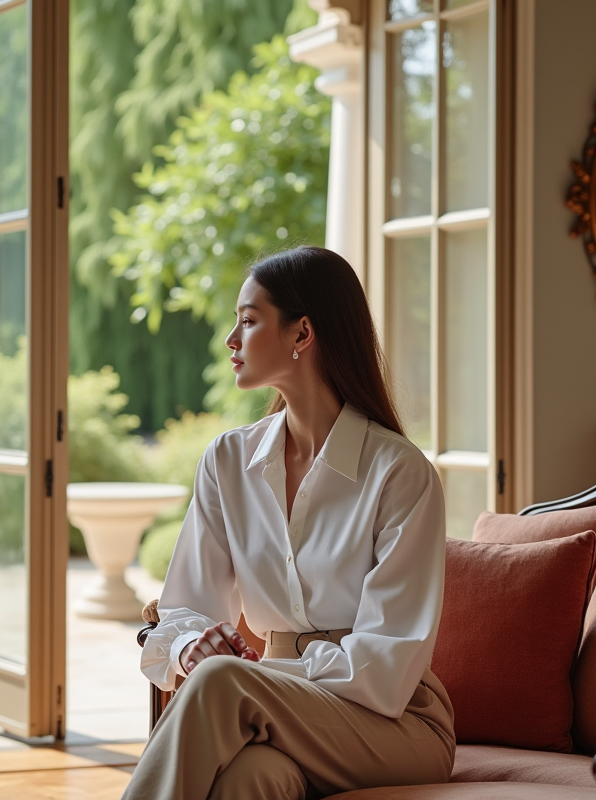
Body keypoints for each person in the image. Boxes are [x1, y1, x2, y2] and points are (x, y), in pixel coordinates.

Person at [123, 246, 454, 800]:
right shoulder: (227, 462)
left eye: (248, 322)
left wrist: (254, 677)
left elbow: (384, 671)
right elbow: (183, 610)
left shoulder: (399, 473)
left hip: (395, 726)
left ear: (302, 335)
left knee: (222, 684)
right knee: (251, 781)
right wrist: (190, 649)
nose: (231, 340)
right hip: (274, 710)